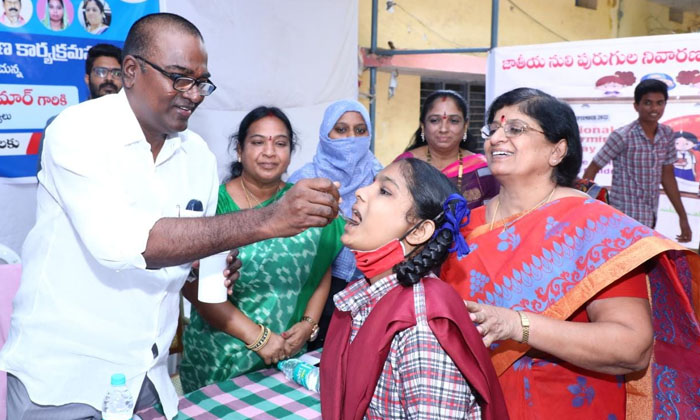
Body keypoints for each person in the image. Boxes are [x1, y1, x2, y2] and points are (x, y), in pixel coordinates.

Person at [0, 13, 340, 420]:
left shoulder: (196, 155)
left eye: (201, 82)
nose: (193, 94)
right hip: (65, 377)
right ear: (131, 70)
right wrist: (269, 219)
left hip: (146, 375)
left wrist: (197, 272)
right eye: (179, 78)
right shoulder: (79, 131)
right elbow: (125, 244)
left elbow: (186, 263)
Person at [441, 87, 700, 419]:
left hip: (569, 404)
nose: (496, 138)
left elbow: (631, 346)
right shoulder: (462, 228)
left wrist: (517, 325)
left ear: (557, 150)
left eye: (515, 129)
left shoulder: (593, 226)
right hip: (475, 405)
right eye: (493, 129)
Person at [320, 158, 508, 420]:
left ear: (419, 232)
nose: (361, 192)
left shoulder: (421, 329)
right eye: (372, 184)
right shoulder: (368, 293)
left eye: (384, 191)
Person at [179, 106, 344, 392]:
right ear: (239, 150)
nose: (269, 152)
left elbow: (320, 265)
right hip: (220, 357)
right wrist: (259, 339)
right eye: (258, 142)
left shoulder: (302, 203)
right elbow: (191, 285)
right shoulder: (212, 206)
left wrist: (309, 323)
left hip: (289, 355)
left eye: (280, 143)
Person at [287, 99, 382, 347]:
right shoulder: (303, 181)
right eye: (341, 130)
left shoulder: (380, 177)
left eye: (360, 131)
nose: (351, 138)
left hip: (371, 286)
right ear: (325, 133)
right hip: (314, 289)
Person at [582, 79, 692, 242]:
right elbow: (592, 169)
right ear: (636, 105)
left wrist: (682, 217)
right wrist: (586, 210)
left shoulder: (666, 134)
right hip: (622, 218)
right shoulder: (623, 136)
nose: (654, 108)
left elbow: (667, 176)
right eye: (648, 103)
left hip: (649, 217)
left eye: (659, 103)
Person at [394, 89, 499, 209]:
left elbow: (493, 216)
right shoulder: (405, 165)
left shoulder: (483, 169)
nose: (443, 129)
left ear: (465, 125)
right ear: (423, 125)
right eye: (434, 120)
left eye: (453, 121)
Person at [37, 43, 122, 172]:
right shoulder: (61, 123)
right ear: (87, 79)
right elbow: (45, 178)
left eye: (116, 73)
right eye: (101, 72)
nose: (109, 78)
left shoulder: (139, 125)